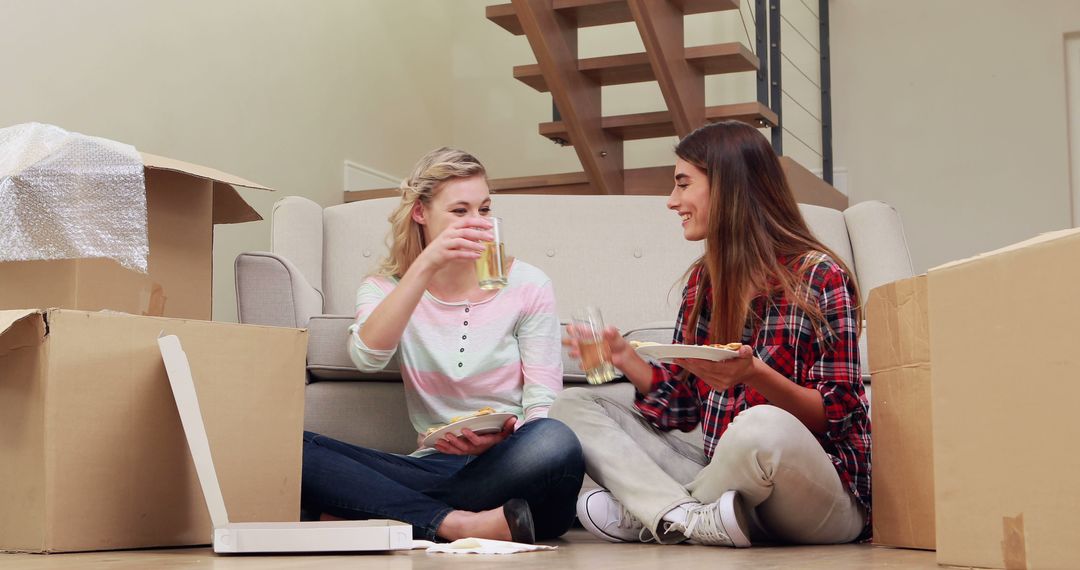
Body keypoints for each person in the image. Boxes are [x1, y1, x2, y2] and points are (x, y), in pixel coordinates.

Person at [551, 121, 870, 547]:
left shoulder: (821, 277)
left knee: (759, 427)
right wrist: (626, 360)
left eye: (683, 184)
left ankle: (655, 513)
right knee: (574, 405)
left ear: (729, 187)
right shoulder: (705, 281)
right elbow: (684, 407)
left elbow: (836, 417)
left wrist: (754, 374)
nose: (672, 201)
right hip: (726, 481)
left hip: (818, 493)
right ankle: (683, 517)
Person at [301, 147, 584, 544]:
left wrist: (509, 437)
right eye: (460, 211)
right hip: (437, 467)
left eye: (484, 210)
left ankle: (377, 512)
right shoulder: (385, 288)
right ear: (420, 212)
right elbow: (367, 356)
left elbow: (542, 403)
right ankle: (454, 524)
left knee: (556, 440)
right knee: (291, 448)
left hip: (511, 467)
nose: (478, 224)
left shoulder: (527, 284)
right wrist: (425, 266)